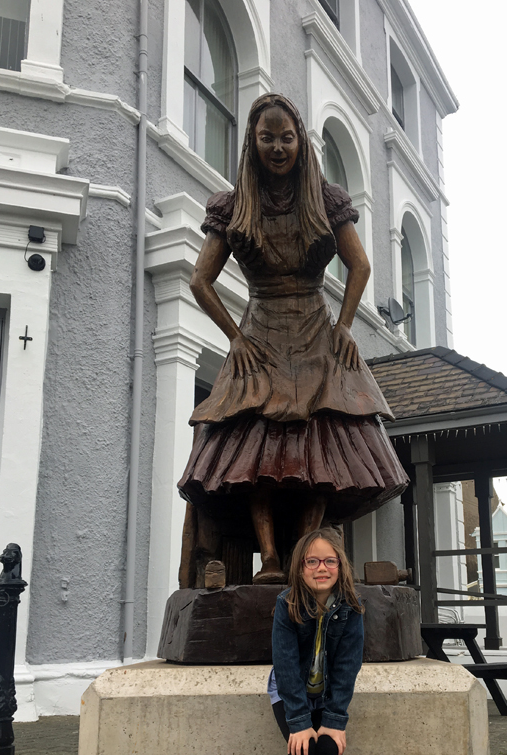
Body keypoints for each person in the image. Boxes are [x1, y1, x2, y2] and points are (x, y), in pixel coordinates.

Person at [179, 93, 408, 584]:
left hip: (314, 333)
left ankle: (306, 556)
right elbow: (200, 280)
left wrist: (343, 326)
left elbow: (360, 265)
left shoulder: (326, 200)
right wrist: (235, 338)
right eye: (268, 138)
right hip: (260, 336)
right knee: (255, 452)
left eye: (287, 137)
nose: (278, 147)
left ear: (301, 141)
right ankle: (269, 559)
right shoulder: (234, 206)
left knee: (316, 452)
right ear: (252, 142)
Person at [269, 527, 367, 755]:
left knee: (329, 753)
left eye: (330, 560)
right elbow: (286, 665)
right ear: (300, 567)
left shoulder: (352, 609)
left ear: (340, 566)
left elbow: (347, 668)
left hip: (327, 699)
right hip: (290, 695)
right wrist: (298, 723)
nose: (321, 568)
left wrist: (333, 722)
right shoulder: (286, 604)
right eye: (313, 561)